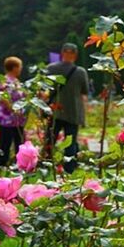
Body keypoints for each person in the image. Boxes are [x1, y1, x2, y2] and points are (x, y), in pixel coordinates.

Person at [45, 43, 89, 173]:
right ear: (75, 55)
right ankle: (69, 168)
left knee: (50, 140)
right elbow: (85, 91)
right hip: (73, 112)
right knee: (70, 141)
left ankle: (47, 165)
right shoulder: (80, 72)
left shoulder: (50, 69)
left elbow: (45, 88)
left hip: (55, 110)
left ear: (62, 53)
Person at [0, 56, 26, 168]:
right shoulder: (5, 81)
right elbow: (3, 98)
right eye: (20, 66)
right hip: (8, 118)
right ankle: (1, 164)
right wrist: (13, 109)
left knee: (19, 142)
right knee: (5, 143)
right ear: (14, 67)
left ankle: (20, 164)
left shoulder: (16, 81)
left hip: (18, 119)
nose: (21, 69)